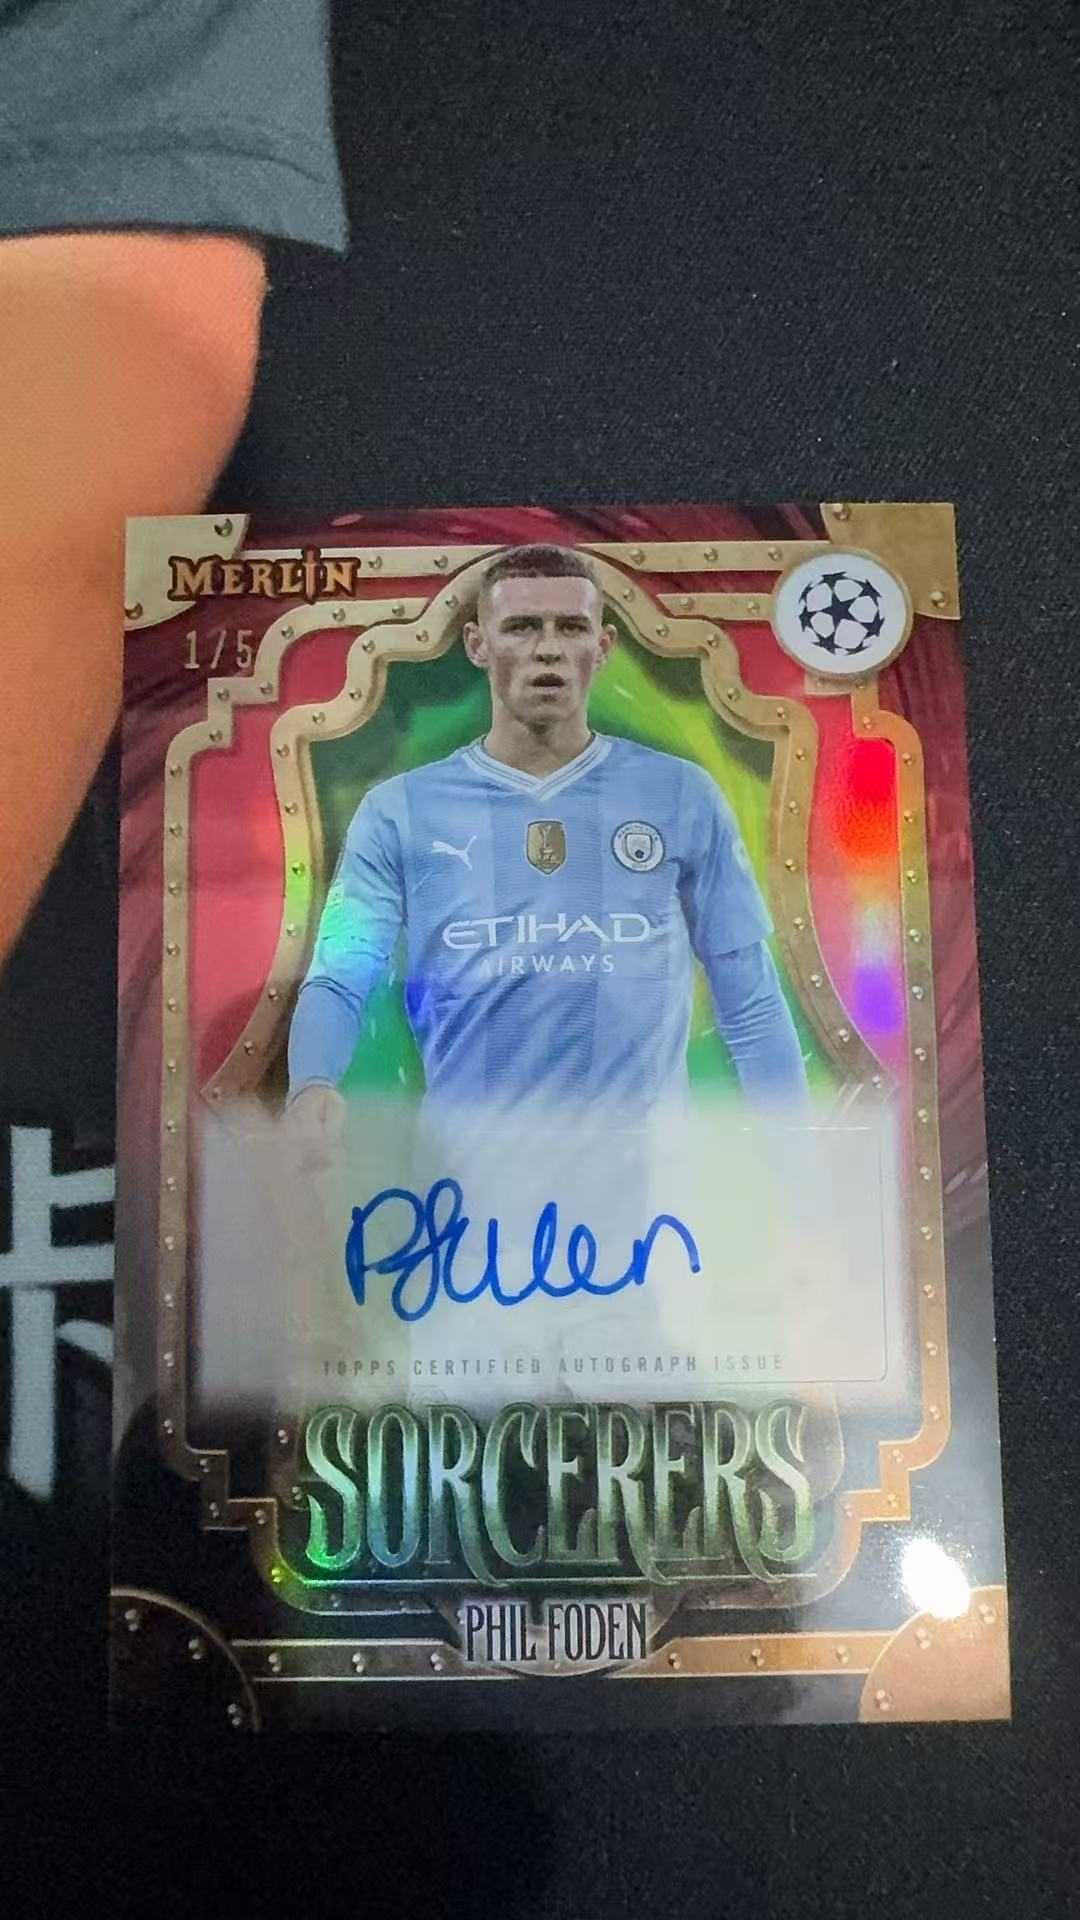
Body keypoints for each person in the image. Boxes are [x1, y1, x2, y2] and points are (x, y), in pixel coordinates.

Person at [287, 543, 807, 1166]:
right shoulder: (399, 810)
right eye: (522, 627)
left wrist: (794, 1147)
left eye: (571, 627)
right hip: (471, 1179)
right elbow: (340, 973)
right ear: (478, 645)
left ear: (603, 647)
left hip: (648, 1182)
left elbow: (748, 993)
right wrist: (311, 1084)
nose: (548, 649)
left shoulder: (679, 794)